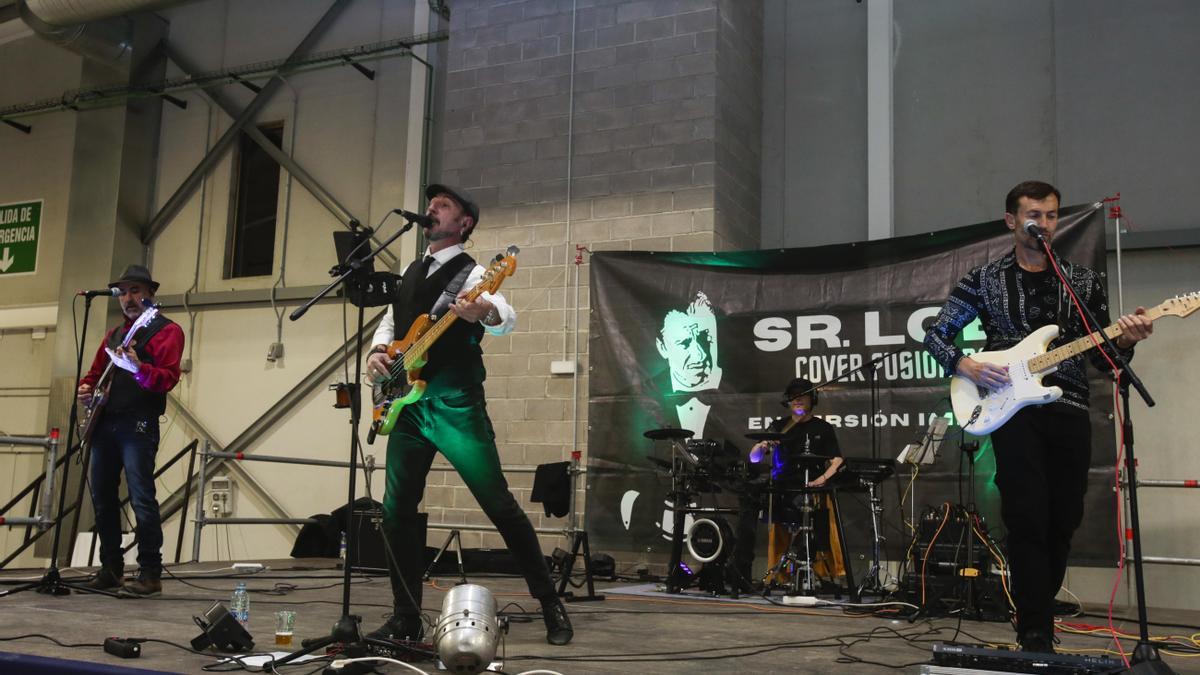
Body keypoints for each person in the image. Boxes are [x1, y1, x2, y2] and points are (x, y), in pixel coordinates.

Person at [924, 180, 1153, 652]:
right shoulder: (984, 280)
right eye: (1033, 215)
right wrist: (964, 363)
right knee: (1026, 514)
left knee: (1063, 518)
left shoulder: (1081, 281)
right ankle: (1035, 629)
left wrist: (1127, 339)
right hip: (1013, 413)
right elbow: (935, 334)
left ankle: (1035, 609)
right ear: (1011, 220)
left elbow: (1103, 358)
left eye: (1049, 215)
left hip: (1068, 409)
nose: (1042, 223)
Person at [364, 184, 572, 646]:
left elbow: (504, 314)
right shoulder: (412, 271)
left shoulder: (475, 271)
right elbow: (392, 323)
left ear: (464, 223)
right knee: (396, 512)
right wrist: (378, 352)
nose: (432, 210)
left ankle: (549, 602)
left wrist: (484, 312)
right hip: (407, 407)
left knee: (498, 504)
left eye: (444, 206)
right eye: (432, 205)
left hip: (456, 402)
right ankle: (405, 616)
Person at [77, 264, 184, 597]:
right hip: (106, 423)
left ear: (150, 293)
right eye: (122, 292)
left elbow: (167, 378)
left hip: (137, 423)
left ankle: (150, 573)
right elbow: (94, 374)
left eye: (135, 290)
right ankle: (111, 568)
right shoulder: (114, 335)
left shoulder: (167, 331)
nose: (128, 298)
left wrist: (139, 369)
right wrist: (85, 388)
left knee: (141, 498)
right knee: (104, 499)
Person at [731, 377, 844, 589]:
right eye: (793, 397)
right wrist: (763, 444)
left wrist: (823, 479)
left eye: (802, 396)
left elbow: (837, 460)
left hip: (812, 488)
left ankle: (819, 575)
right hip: (781, 489)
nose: (798, 400)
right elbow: (754, 458)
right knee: (771, 525)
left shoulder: (823, 428)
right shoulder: (778, 426)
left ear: (812, 399)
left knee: (819, 528)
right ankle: (778, 576)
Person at [654, 290, 723, 437]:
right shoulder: (646, 399)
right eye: (684, 344)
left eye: (706, 340)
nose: (700, 355)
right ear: (663, 348)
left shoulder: (740, 396)